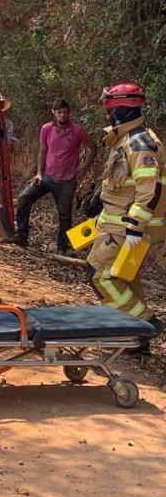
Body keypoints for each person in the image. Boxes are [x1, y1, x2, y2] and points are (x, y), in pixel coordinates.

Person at [86, 83, 165, 351]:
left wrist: (134, 228)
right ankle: (135, 339)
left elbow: (149, 191)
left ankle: (146, 323)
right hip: (118, 224)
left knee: (100, 276)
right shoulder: (126, 139)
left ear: (119, 109)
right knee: (126, 280)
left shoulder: (139, 143)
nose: (108, 114)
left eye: (109, 108)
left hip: (126, 230)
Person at [4, 98, 97, 254]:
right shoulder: (46, 129)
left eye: (65, 112)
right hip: (46, 176)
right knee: (24, 198)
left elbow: (93, 148)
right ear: (54, 113)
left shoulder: (77, 131)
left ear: (69, 113)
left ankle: (62, 246)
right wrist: (39, 173)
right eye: (59, 112)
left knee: (64, 214)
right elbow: (43, 151)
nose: (62, 115)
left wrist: (82, 172)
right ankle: (21, 234)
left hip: (66, 181)